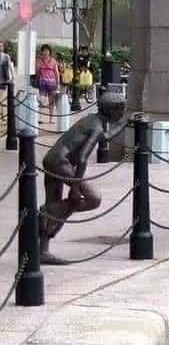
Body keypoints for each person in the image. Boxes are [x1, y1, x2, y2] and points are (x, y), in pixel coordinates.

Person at [39, 94, 127, 265]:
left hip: (51, 159)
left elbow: (104, 137)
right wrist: (75, 189)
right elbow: (82, 158)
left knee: (59, 207)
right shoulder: (97, 126)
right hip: (61, 163)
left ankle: (42, 250)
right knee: (94, 199)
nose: (122, 113)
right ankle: (48, 210)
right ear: (111, 111)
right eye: (120, 110)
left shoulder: (92, 119)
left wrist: (125, 124)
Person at [36, 44, 60, 121]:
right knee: (42, 100)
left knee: (51, 101)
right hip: (42, 83)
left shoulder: (53, 60)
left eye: (47, 50)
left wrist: (58, 83)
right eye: (44, 50)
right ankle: (40, 118)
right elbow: (37, 72)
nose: (45, 52)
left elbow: (56, 72)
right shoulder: (39, 61)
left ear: (49, 52)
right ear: (41, 52)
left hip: (52, 83)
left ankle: (51, 118)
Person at [0, 41, 15, 128]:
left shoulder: (6, 56)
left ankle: (2, 116)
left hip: (3, 81)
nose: (0, 48)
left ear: (3, 47)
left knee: (0, 99)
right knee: (1, 100)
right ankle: (2, 116)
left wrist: (13, 77)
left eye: (1, 46)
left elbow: (10, 67)